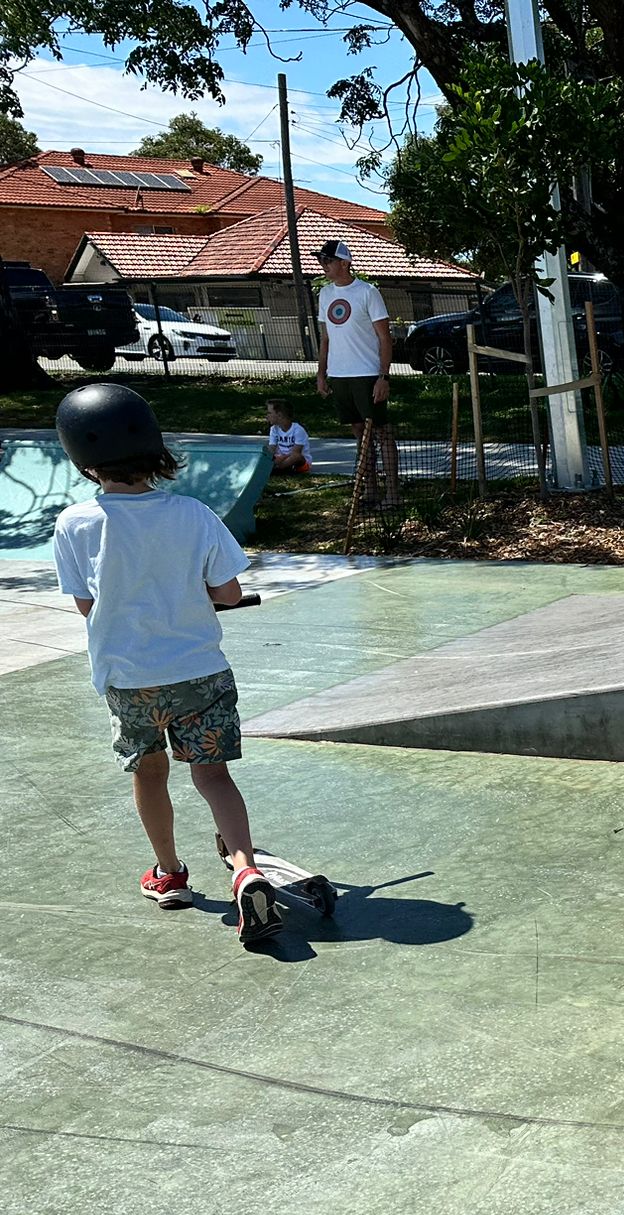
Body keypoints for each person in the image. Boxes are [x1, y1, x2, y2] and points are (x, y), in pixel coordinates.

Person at [50, 382, 282, 946]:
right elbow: (227, 593)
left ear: (81, 457)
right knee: (213, 775)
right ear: (155, 447)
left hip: (130, 680)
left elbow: (88, 606)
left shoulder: (75, 524)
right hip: (199, 673)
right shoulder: (193, 514)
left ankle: (171, 874)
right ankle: (246, 867)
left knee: (150, 773)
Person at [312, 238, 399, 507]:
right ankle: (370, 490)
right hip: (340, 375)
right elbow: (325, 339)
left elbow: (385, 338)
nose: (323, 265)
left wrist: (383, 376)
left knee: (382, 432)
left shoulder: (367, 292)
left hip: (367, 373)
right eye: (321, 261)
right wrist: (322, 373)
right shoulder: (325, 294)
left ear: (344, 263)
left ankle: (393, 494)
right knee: (359, 433)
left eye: (328, 260)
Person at [265, 397, 311, 474]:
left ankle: (277, 469)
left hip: (300, 463)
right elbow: (272, 448)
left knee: (296, 456)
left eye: (269, 413)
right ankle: (280, 469)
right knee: (266, 455)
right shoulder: (274, 429)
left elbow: (296, 452)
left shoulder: (298, 430)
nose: (267, 416)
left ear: (279, 415)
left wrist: (281, 458)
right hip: (282, 459)